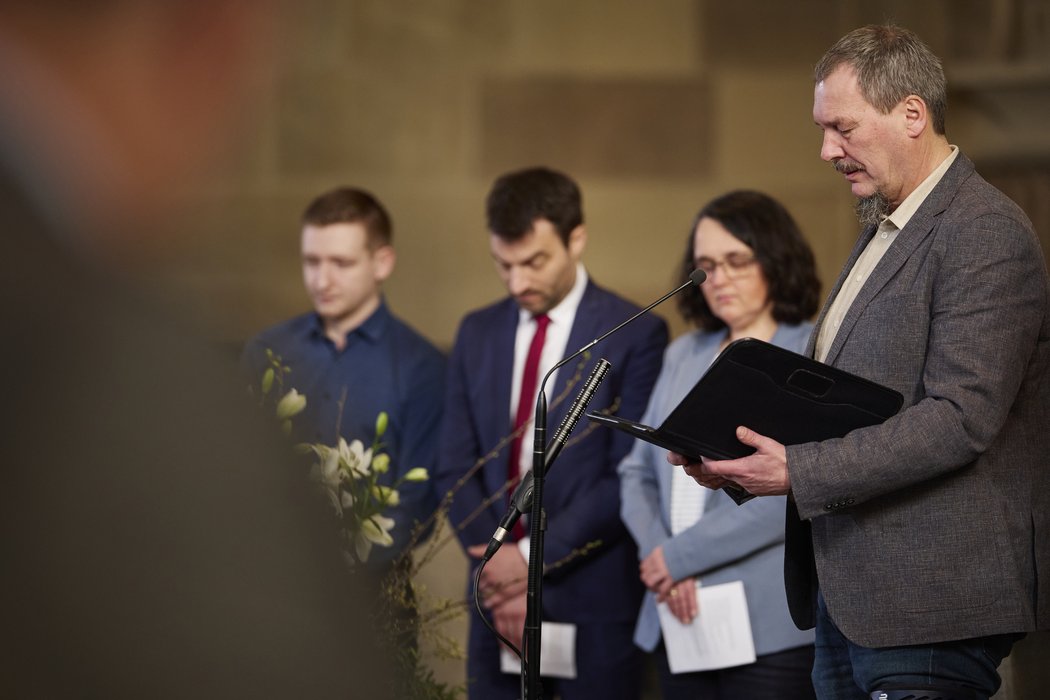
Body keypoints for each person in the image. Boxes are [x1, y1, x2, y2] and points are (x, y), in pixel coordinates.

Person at [0, 3, 397, 697]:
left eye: (343, 262)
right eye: (315, 261)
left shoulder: (412, 362)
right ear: (216, 32)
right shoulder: (133, 395)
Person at [670, 25, 1050, 700]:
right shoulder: (883, 226)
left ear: (911, 113)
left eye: (842, 128)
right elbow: (840, 406)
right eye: (823, 130)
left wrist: (797, 470)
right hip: (849, 597)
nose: (826, 151)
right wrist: (732, 459)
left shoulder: (983, 229)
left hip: (930, 598)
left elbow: (960, 418)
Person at [434, 166, 669, 699]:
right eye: (504, 265)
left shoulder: (635, 333)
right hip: (493, 602)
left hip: (592, 599)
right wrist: (497, 565)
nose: (518, 282)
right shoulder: (477, 331)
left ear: (576, 238)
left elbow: (625, 474)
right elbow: (453, 465)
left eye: (534, 262)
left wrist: (528, 562)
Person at [619, 190, 820, 699]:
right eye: (706, 265)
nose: (720, 278)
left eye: (736, 261)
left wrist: (681, 558)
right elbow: (637, 474)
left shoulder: (809, 348)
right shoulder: (683, 352)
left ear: (775, 260)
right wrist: (661, 559)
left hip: (766, 624)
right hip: (676, 613)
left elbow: (793, 487)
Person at [242, 186, 444, 567]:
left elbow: (418, 506)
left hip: (373, 601)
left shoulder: (422, 367)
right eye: (311, 261)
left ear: (381, 263)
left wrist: (336, 580)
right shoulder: (266, 351)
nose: (322, 280)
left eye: (341, 263)